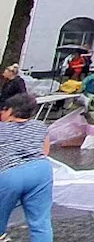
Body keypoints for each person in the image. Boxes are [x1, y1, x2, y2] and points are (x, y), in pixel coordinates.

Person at [0, 94, 53, 242]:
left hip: (9, 173)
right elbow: (45, 152)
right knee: (41, 222)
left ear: (10, 111)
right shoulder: (40, 127)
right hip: (41, 171)